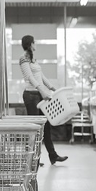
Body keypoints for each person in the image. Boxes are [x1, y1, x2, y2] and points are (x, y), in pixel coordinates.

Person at [19, 35, 68, 165]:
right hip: (30, 95)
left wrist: (52, 88)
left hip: (39, 95)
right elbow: (30, 77)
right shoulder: (23, 59)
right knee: (34, 129)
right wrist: (42, 90)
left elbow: (41, 76)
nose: (36, 44)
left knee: (45, 127)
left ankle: (53, 156)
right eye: (34, 42)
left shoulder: (33, 59)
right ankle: (32, 159)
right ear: (30, 44)